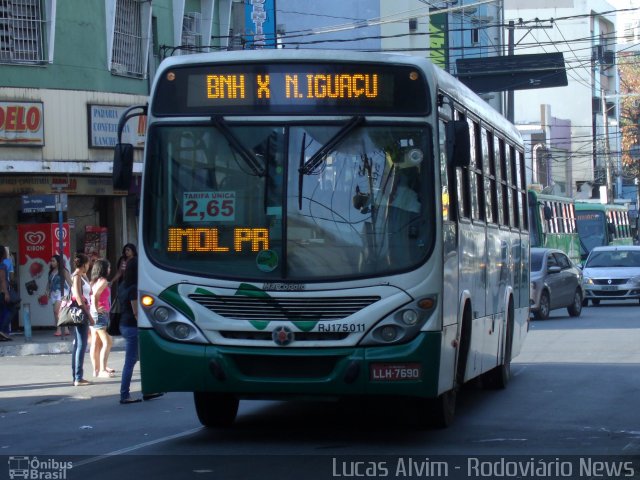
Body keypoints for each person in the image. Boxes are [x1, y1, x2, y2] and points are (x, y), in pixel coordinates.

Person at [70, 253, 94, 386]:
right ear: (84, 263)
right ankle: (78, 377)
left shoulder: (81, 275)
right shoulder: (77, 276)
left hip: (82, 311)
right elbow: (79, 298)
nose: (89, 265)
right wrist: (89, 316)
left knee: (79, 344)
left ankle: (77, 376)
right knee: (81, 344)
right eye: (88, 263)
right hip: (81, 312)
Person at [89, 258, 115, 378]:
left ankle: (97, 369)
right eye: (108, 267)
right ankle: (102, 370)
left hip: (94, 313)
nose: (110, 269)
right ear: (104, 269)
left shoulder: (95, 281)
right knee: (107, 342)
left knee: (96, 342)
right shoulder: (103, 281)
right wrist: (97, 308)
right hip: (100, 314)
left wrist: (94, 308)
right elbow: (95, 295)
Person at [45, 255, 73, 337]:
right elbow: (49, 282)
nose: (51, 262)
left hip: (62, 292)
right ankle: (66, 329)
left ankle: (59, 329)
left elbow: (70, 282)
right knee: (59, 312)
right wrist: (47, 290)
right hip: (53, 293)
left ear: (58, 262)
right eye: (51, 261)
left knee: (56, 311)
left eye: (53, 261)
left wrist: (73, 292)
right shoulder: (51, 271)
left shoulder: (63, 271)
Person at [0, 245, 12, 342]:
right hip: (1, 291)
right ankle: (3, 331)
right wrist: (6, 293)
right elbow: (3, 280)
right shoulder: (2, 265)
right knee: (8, 311)